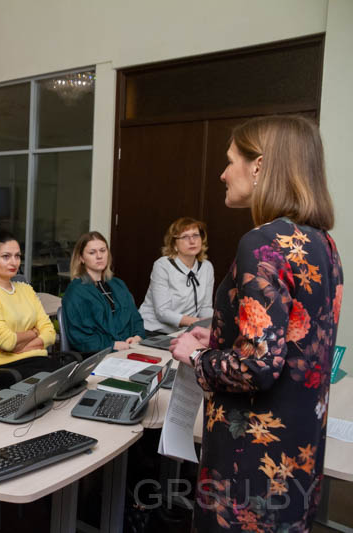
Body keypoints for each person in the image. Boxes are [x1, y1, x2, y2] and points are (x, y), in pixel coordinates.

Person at [169, 116, 343, 531]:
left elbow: (257, 366)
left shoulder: (261, 243)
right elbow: (293, 336)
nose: (224, 173)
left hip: (250, 456)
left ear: (260, 167)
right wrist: (218, 333)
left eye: (231, 162)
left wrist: (197, 354)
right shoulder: (323, 243)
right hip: (297, 451)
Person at [0, 227, 57, 377]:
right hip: (6, 369)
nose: (14, 262)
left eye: (17, 256)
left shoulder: (26, 289)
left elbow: (50, 333)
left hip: (38, 361)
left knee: (69, 376)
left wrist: (20, 346)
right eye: (6, 256)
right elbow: (7, 342)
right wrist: (34, 332)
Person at [62, 231, 145, 353]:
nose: (99, 256)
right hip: (99, 354)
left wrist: (137, 336)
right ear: (81, 258)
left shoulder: (118, 285)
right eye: (92, 252)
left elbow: (135, 317)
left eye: (103, 250)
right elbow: (79, 337)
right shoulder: (76, 291)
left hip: (130, 349)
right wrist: (112, 345)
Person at [138, 217, 215, 335]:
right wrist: (196, 322)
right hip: (154, 330)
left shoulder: (207, 267)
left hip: (185, 331)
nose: (192, 241)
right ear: (174, 245)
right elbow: (162, 313)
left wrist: (211, 325)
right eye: (185, 237)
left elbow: (205, 308)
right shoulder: (162, 265)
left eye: (195, 235)